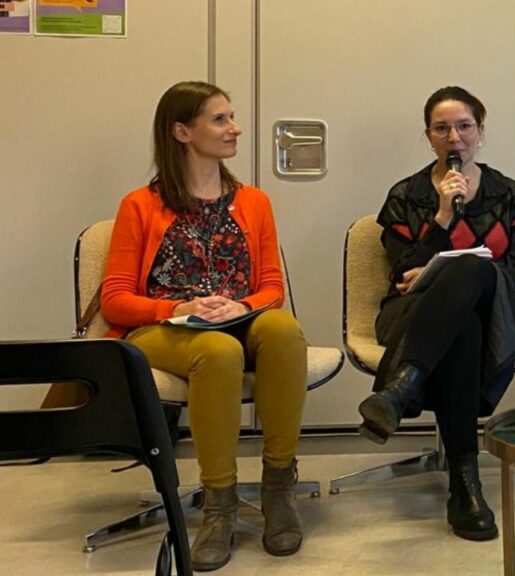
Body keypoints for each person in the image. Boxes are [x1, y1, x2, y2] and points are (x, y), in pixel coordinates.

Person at [101, 81, 308, 570]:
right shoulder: (139, 205)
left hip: (238, 320)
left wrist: (242, 306)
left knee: (283, 330)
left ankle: (279, 486)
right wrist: (178, 307)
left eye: (231, 117)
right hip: (167, 328)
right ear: (182, 132)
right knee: (218, 351)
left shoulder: (254, 202)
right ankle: (219, 504)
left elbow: (272, 287)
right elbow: (115, 301)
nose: (235, 128)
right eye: (220, 119)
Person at [357, 86, 515, 541]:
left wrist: (452, 272)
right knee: (464, 326)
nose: (454, 137)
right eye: (442, 128)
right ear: (428, 136)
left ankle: (402, 387)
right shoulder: (407, 195)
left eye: (464, 126)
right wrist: (440, 216)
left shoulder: (509, 195)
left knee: (472, 276)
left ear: (480, 131)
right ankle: (465, 485)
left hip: (495, 309)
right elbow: (402, 275)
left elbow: (514, 273)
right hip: (412, 311)